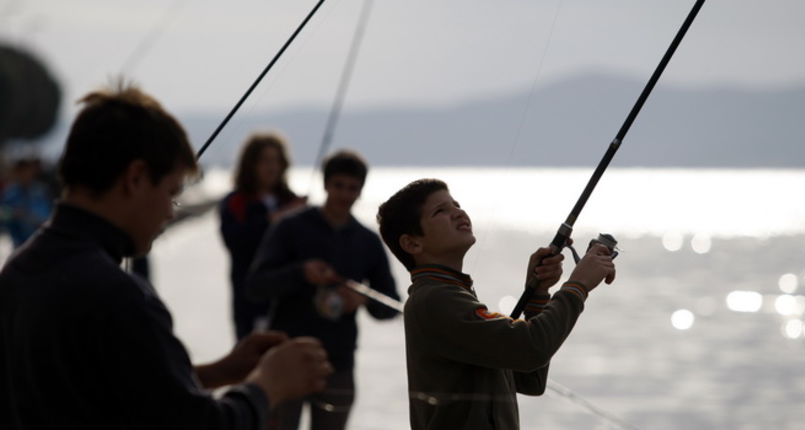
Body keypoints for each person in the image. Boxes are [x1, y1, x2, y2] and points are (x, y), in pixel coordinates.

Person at [0, 83, 332, 429]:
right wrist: (268, 386)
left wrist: (218, 372)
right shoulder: (120, 298)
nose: (171, 211)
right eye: (171, 192)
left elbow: (99, 392)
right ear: (136, 178)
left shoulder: (19, 271)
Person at [376, 178, 617, 430]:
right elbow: (531, 349)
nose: (458, 212)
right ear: (412, 243)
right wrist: (577, 286)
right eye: (441, 211)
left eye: (456, 204)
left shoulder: (451, 295)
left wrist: (537, 294)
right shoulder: (435, 300)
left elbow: (530, 379)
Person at [246, 150, 400, 430]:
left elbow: (392, 305)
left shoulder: (367, 241)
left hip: (338, 364)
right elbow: (255, 286)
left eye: (352, 188)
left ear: (361, 191)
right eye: (339, 185)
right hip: (286, 359)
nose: (344, 194)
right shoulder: (289, 227)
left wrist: (363, 300)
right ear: (326, 184)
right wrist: (300, 273)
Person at [220, 132, 306, 340]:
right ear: (250, 164)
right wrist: (275, 219)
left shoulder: (293, 201)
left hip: (289, 303)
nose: (271, 167)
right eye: (265, 160)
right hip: (249, 301)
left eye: (276, 161)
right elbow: (235, 242)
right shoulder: (235, 202)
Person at [0, 157, 53, 247]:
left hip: (40, 241)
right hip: (19, 243)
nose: (25, 175)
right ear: (16, 173)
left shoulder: (40, 191)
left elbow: (47, 215)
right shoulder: (10, 194)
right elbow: (2, 215)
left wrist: (33, 218)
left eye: (27, 172)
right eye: (21, 172)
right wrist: (13, 214)